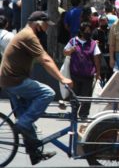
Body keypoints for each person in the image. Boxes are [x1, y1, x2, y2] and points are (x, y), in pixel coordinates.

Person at [0, 11, 72, 165]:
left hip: (11, 80)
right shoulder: (28, 36)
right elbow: (45, 59)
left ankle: (35, 154)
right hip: (14, 80)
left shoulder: (25, 35)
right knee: (47, 93)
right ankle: (23, 123)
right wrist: (62, 78)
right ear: (38, 24)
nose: (47, 28)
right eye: (46, 25)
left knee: (27, 117)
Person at [64, 22, 101, 119]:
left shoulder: (93, 43)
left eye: (90, 31)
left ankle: (83, 114)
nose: (88, 33)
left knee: (86, 96)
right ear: (81, 32)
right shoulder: (73, 41)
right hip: (75, 74)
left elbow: (97, 58)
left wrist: (98, 73)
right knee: (74, 95)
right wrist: (71, 50)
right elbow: (65, 52)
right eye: (86, 31)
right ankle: (74, 113)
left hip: (88, 75)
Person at [92, 15, 112, 84]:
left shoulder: (111, 30)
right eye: (101, 21)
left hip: (110, 55)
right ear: (99, 22)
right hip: (100, 56)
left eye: (104, 21)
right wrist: (94, 42)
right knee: (101, 73)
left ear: (107, 21)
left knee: (110, 73)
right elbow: (91, 41)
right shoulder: (95, 31)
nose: (103, 22)